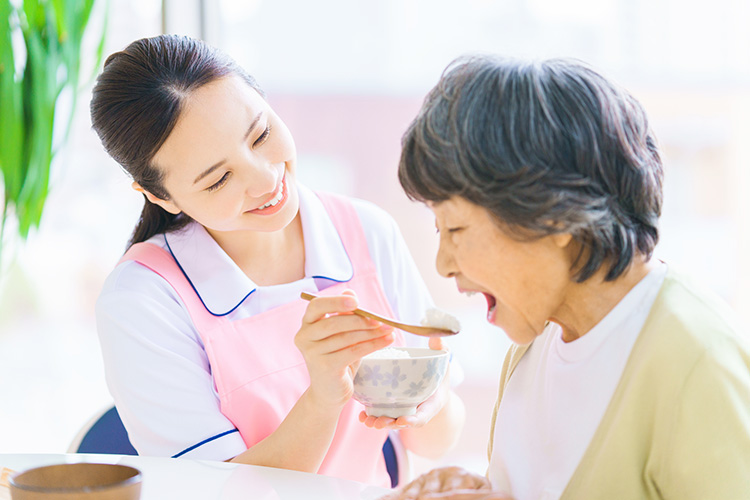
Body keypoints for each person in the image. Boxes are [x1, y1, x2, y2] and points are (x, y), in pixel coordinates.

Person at [90, 34, 464, 488]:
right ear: (159, 195)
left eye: (261, 134)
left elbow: (436, 441)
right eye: (219, 179)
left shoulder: (366, 230)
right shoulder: (142, 299)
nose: (265, 179)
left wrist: (429, 396)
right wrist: (323, 398)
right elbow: (211, 490)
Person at [382, 55, 750, 500]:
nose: (443, 264)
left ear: (553, 215)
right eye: (439, 231)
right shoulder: (534, 342)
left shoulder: (699, 362)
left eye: (457, 229)